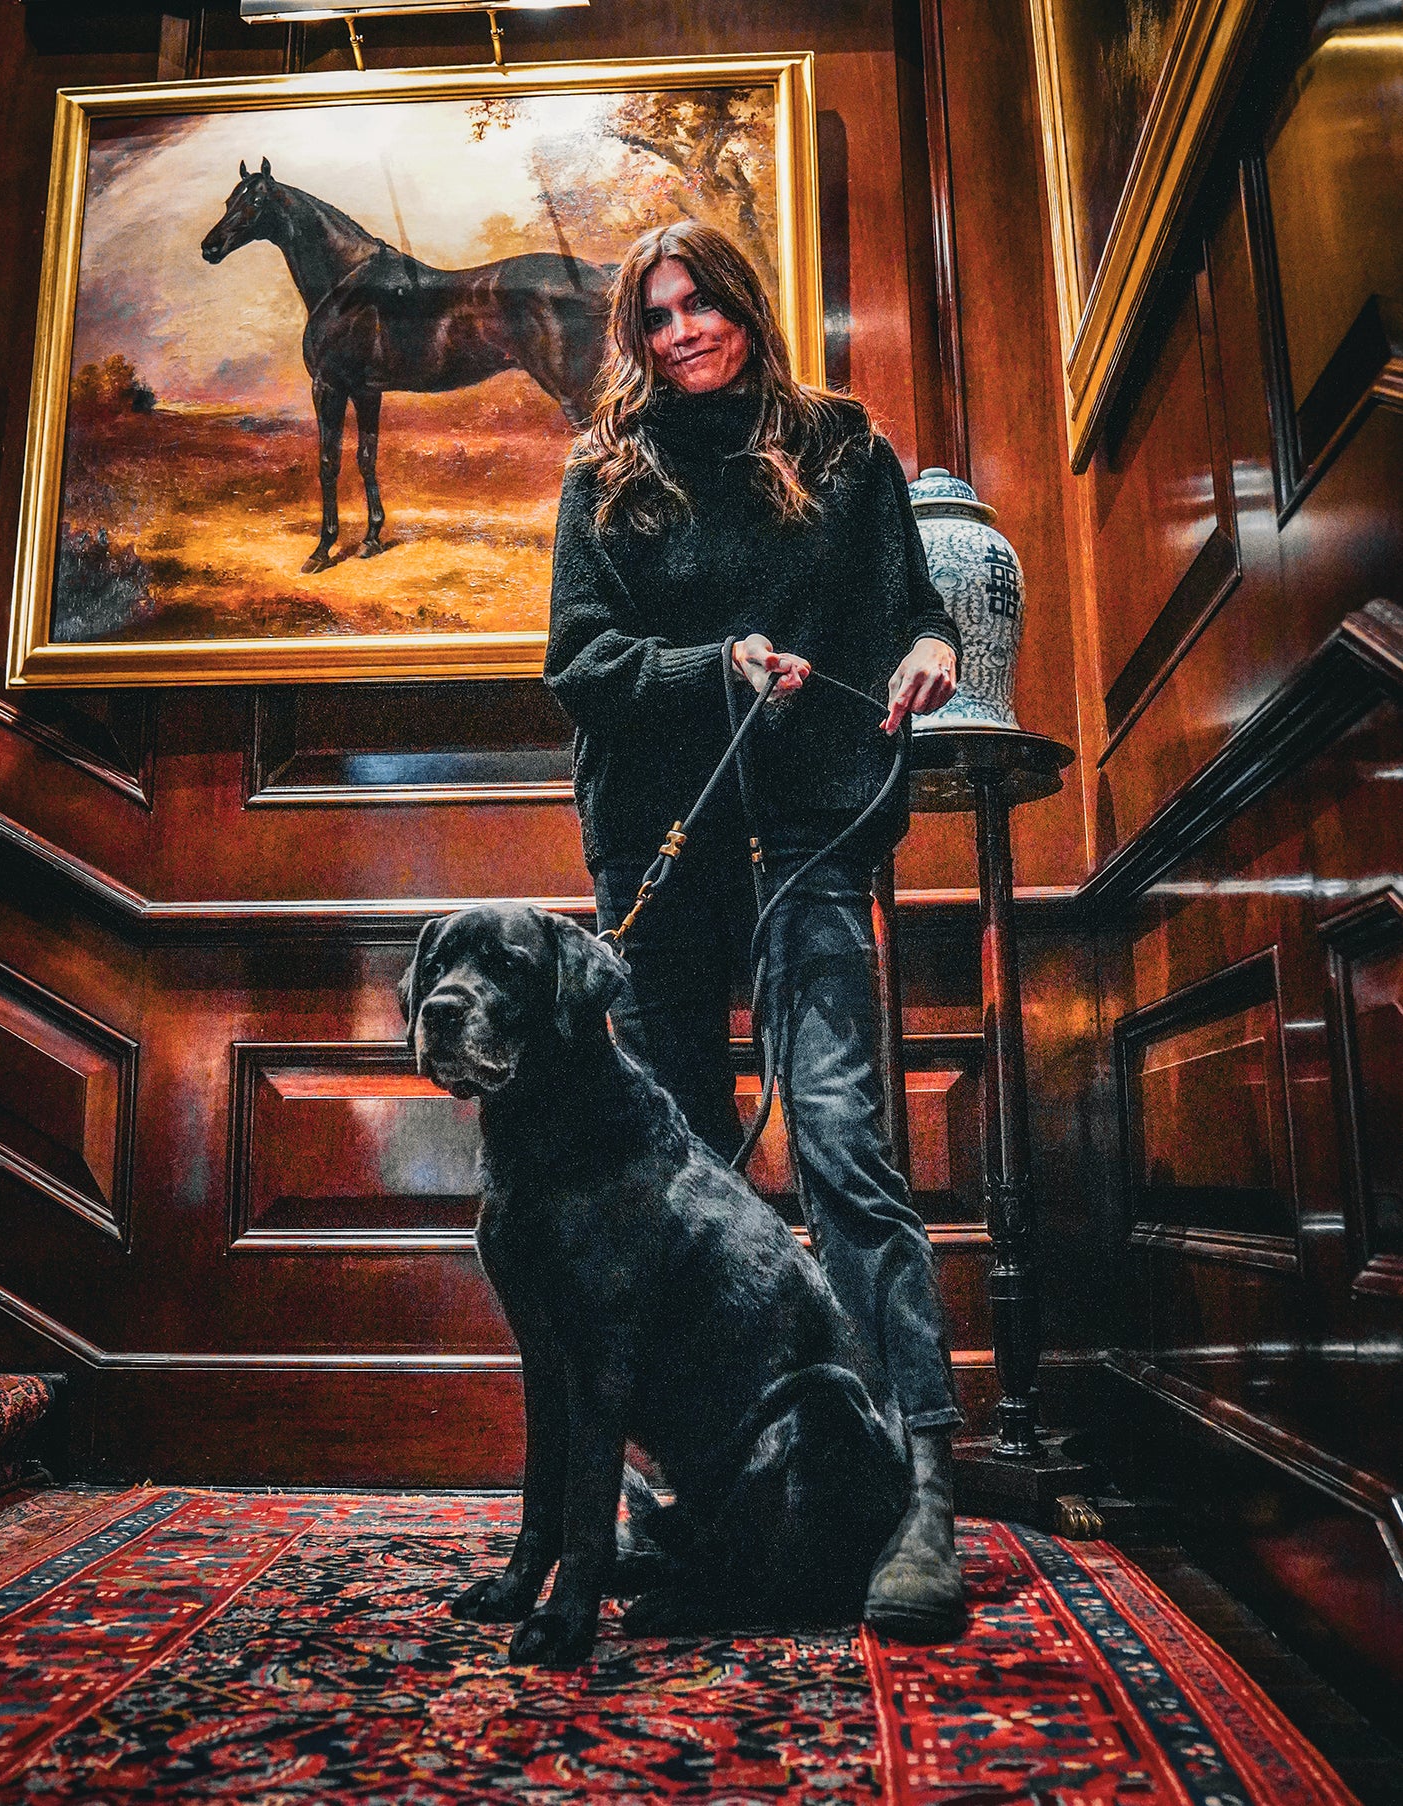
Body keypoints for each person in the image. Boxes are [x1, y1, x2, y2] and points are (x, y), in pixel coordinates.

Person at [543, 220, 965, 1640]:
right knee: (675, 1181)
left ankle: (914, 1493)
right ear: (634, 334)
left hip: (807, 826)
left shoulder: (844, 450)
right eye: (653, 316)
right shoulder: (604, 477)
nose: (679, 332)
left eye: (699, 304)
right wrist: (706, 665)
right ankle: (689, 1497)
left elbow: (908, 612)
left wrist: (925, 647)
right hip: (659, 834)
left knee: (840, 1136)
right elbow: (580, 664)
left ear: (742, 303)